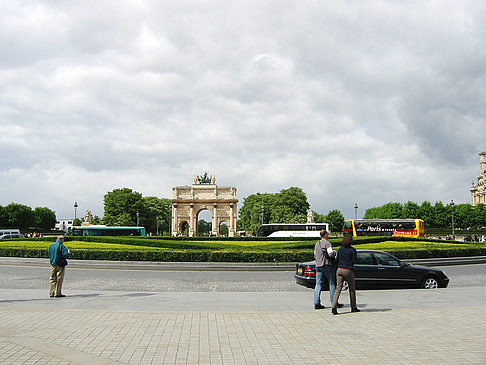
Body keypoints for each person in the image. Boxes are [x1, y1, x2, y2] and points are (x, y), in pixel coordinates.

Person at [313, 230, 343, 309]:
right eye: (328, 233)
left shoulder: (317, 244)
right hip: (326, 265)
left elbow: (315, 255)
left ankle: (316, 303)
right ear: (325, 235)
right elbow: (330, 254)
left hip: (318, 265)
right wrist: (334, 252)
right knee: (332, 283)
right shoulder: (327, 243)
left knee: (318, 284)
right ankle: (334, 302)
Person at [332, 235, 359, 315]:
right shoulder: (353, 250)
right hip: (348, 270)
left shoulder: (340, 249)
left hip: (339, 269)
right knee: (351, 289)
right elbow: (355, 260)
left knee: (338, 289)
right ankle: (353, 307)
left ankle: (334, 307)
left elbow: (337, 260)